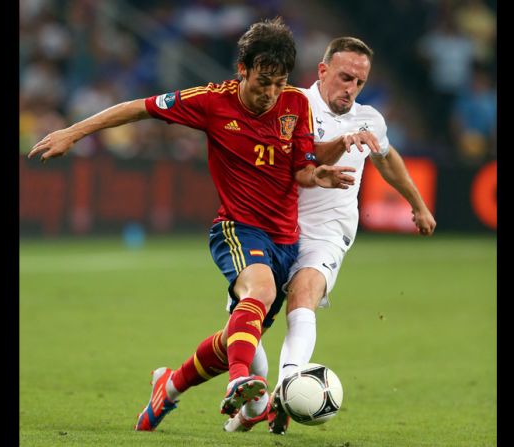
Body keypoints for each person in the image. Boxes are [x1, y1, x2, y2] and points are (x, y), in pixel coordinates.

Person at [28, 17, 357, 432]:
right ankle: (242, 382)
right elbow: (139, 107)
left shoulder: (296, 105)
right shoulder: (211, 101)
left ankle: (168, 387)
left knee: (235, 339)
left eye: (279, 82)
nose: (270, 93)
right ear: (243, 70)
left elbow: (301, 169)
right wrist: (73, 132)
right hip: (237, 228)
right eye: (262, 82)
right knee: (262, 293)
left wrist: (320, 175)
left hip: (285, 240)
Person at [222, 36, 437, 434]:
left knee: (305, 292)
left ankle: (290, 385)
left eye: (359, 81)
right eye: (344, 77)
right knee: (247, 322)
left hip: (328, 232)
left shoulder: (370, 119)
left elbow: (387, 158)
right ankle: (256, 404)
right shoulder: (289, 104)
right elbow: (299, 155)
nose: (351, 88)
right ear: (322, 71)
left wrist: (418, 204)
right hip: (272, 226)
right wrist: (337, 145)